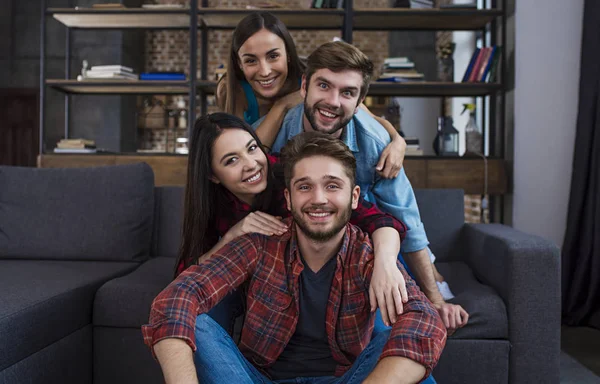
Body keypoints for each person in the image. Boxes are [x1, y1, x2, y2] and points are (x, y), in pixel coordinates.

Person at [142, 132, 447, 384]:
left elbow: (425, 320)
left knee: (404, 347)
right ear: (288, 199)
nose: (318, 199)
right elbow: (178, 295)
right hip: (258, 380)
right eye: (304, 187)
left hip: (347, 379)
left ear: (354, 197)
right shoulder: (260, 244)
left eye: (332, 186)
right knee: (197, 322)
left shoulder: (367, 252)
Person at [256, 40, 469, 332]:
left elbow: (406, 220)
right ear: (304, 86)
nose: (333, 101)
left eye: (347, 93)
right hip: (291, 246)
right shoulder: (274, 134)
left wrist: (435, 299)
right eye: (324, 86)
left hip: (362, 244)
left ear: (360, 102)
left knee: (407, 316)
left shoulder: (375, 143)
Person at [174, 113, 411, 335]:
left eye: (252, 148)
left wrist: (386, 263)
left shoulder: (292, 176)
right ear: (212, 175)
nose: (252, 164)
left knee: (390, 320)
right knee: (195, 315)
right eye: (232, 160)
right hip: (253, 293)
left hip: (316, 282)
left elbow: (379, 220)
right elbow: (186, 279)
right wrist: (230, 237)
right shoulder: (212, 204)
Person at [216, 11, 407, 179]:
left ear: (288, 55)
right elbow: (242, 155)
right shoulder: (233, 89)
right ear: (239, 64)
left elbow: (363, 113)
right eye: (251, 60)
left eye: (273, 56)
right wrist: (282, 106)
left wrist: (398, 141)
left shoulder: (312, 82)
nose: (265, 71)